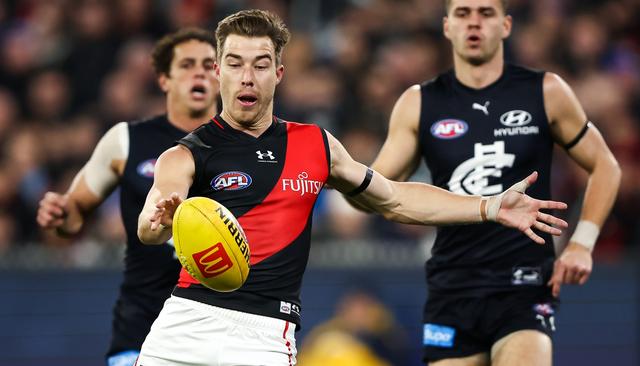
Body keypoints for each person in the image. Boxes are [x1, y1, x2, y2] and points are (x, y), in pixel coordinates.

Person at [135, 10, 567, 365]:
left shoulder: (316, 145)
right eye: (234, 63)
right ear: (217, 71)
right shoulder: (186, 154)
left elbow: (394, 198)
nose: (247, 76)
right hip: (183, 327)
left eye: (260, 64)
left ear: (279, 72)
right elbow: (151, 221)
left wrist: (490, 206)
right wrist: (161, 217)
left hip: (262, 336)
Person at [364, 1, 622, 365]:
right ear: (446, 26)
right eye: (463, 13)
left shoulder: (545, 90)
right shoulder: (420, 103)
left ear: (506, 25)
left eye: (486, 13)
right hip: (451, 287)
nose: (474, 23)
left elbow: (606, 166)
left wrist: (582, 242)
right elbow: (376, 190)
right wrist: (342, 177)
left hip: (525, 285)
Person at [36, 28, 220, 366]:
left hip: (220, 327)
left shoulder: (245, 147)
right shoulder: (126, 140)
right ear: (164, 79)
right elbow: (76, 210)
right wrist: (63, 215)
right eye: (187, 65)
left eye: (209, 65)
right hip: (142, 328)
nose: (199, 73)